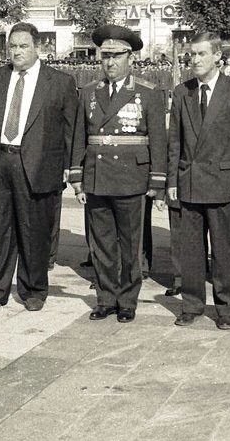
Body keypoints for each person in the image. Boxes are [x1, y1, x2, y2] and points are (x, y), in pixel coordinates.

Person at [0, 23, 78, 313]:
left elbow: (72, 129)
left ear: (37, 47)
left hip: (38, 166)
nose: (16, 51)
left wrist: (70, 167)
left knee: (34, 231)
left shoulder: (59, 82)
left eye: (23, 46)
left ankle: (33, 289)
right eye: (12, 46)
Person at [70, 25, 167, 323]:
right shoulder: (89, 93)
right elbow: (79, 137)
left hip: (131, 179)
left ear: (131, 58)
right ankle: (105, 298)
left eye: (117, 56)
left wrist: (158, 181)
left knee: (129, 244)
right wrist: (77, 177)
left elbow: (159, 140)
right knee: (101, 245)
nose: (110, 63)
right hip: (98, 178)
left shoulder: (147, 93)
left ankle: (127, 300)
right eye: (105, 56)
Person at [166, 33, 230, 330]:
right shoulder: (182, 92)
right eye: (192, 54)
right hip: (189, 182)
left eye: (202, 54)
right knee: (189, 251)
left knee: (224, 250)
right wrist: (171, 181)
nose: (195, 60)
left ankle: (227, 307)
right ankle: (191, 305)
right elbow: (174, 142)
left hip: (222, 184)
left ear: (218, 56)